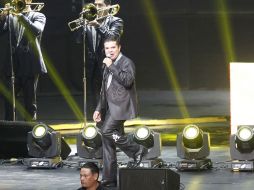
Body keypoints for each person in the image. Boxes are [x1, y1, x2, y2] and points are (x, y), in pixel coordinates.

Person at [93, 36, 147, 187]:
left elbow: (127, 81)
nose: (109, 51)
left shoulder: (126, 62)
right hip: (110, 107)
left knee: (106, 132)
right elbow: (104, 90)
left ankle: (137, 149)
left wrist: (111, 66)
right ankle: (109, 180)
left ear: (119, 48)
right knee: (108, 143)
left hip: (122, 106)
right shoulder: (107, 64)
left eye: (113, 48)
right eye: (107, 48)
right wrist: (99, 109)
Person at [0, 0, 46, 121]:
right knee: (9, 103)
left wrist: (20, 17)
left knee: (29, 104)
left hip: (30, 64)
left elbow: (36, 30)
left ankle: (30, 132)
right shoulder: (9, 17)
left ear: (29, 1)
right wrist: (2, 18)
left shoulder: (38, 15)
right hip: (12, 64)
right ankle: (9, 132)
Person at [82, 0, 123, 117]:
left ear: (108, 6)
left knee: (110, 98)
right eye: (95, 4)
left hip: (110, 66)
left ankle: (113, 127)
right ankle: (98, 125)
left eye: (100, 5)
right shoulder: (89, 22)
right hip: (93, 67)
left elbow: (113, 37)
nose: (97, 7)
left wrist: (98, 25)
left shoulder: (116, 21)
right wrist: (83, 25)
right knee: (95, 99)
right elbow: (78, 40)